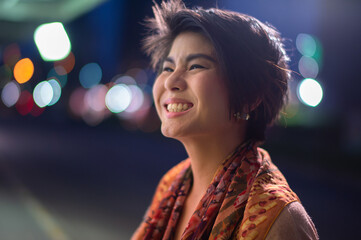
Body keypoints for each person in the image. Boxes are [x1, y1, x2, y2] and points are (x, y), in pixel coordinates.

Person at [132, 0, 319, 239]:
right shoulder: (172, 185)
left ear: (249, 97)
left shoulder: (278, 220)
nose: (170, 81)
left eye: (196, 66)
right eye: (168, 68)